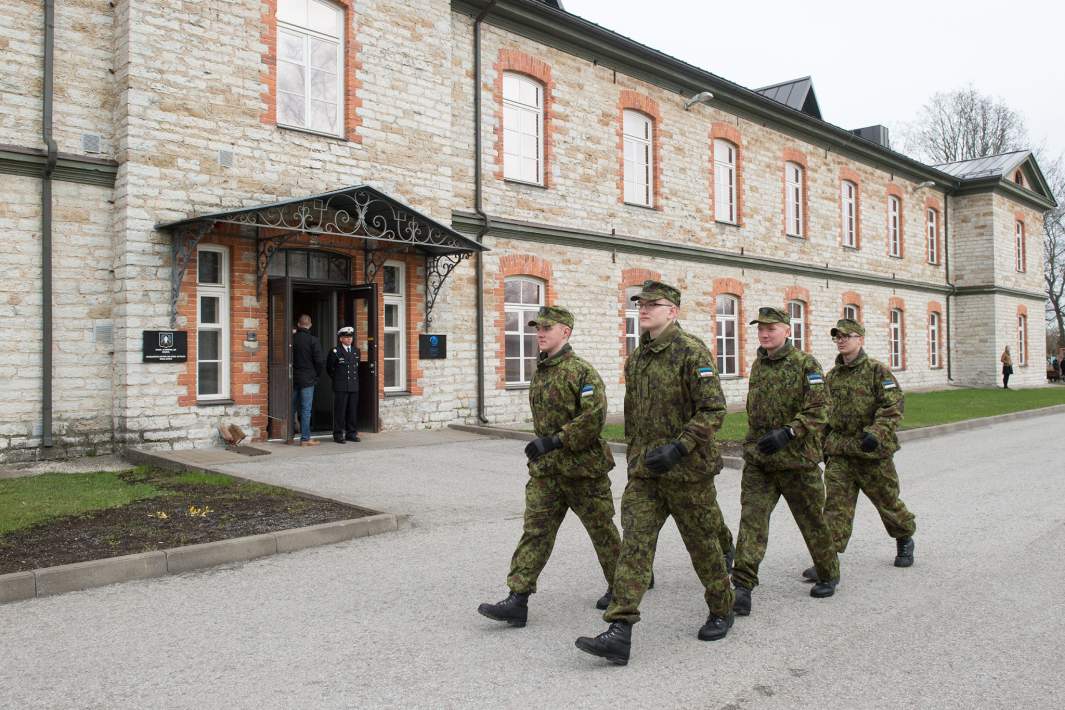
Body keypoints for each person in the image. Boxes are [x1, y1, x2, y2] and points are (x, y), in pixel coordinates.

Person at [576, 281, 734, 667]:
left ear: (673, 311)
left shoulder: (690, 352)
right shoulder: (639, 356)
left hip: (687, 473)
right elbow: (635, 416)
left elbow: (713, 410)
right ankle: (620, 630)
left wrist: (680, 447)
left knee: (703, 547)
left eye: (653, 304)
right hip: (646, 473)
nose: (643, 309)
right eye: (640, 303)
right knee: (634, 546)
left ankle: (721, 608)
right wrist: (637, 459)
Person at [478, 306, 622, 628]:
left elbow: (592, 419)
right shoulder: (541, 370)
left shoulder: (582, 372)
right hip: (547, 473)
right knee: (535, 533)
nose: (540, 333)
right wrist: (544, 450)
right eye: (537, 328)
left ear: (565, 332)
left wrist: (555, 441)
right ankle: (518, 599)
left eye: (547, 327)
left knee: (603, 532)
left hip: (584, 472)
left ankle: (622, 588)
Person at [732, 306, 839, 617]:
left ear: (787, 331)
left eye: (771, 328)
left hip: (797, 462)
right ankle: (742, 585)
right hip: (761, 461)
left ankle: (828, 571)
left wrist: (790, 432)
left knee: (812, 521)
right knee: (752, 521)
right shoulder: (759, 364)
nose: (765, 333)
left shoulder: (806, 365)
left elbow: (820, 410)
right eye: (760, 329)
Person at [800, 318, 916, 582]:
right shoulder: (832, 376)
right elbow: (824, 413)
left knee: (887, 501)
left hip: (871, 452)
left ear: (860, 339)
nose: (841, 340)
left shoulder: (877, 371)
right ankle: (827, 562)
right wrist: (821, 446)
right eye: (837, 336)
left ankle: (904, 536)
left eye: (847, 336)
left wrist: (876, 433)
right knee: (835, 508)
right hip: (841, 452)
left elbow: (893, 405)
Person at [291, 314, 324, 447]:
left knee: (291, 408)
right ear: (310, 325)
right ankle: (305, 439)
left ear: (298, 324)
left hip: (292, 377)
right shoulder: (313, 340)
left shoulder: (292, 339)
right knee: (306, 409)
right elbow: (319, 361)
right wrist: (316, 376)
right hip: (308, 379)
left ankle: (289, 436)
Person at [326, 326, 360, 444]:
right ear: (341, 339)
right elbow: (330, 368)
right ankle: (338, 434)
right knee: (340, 411)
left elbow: (357, 367)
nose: (349, 339)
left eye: (351, 337)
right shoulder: (335, 351)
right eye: (346, 337)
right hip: (341, 386)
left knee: (352, 411)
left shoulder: (356, 351)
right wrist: (338, 380)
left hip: (353, 386)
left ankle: (351, 433)